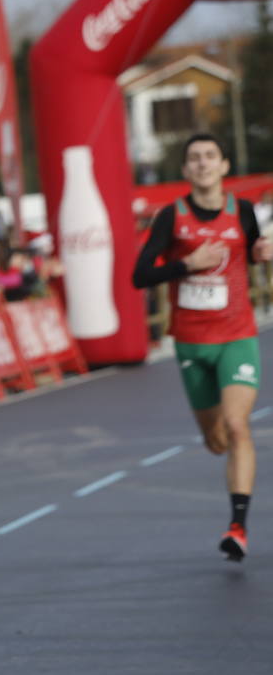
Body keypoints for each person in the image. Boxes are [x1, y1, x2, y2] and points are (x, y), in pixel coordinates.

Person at [132, 133, 273, 561]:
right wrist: (186, 265)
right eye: (194, 158)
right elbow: (140, 276)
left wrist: (263, 252)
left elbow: (252, 253)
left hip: (237, 336)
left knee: (237, 426)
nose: (203, 163)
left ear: (224, 165)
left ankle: (237, 528)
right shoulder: (170, 218)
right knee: (215, 440)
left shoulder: (243, 212)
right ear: (186, 170)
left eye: (210, 156)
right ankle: (228, 464)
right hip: (192, 343)